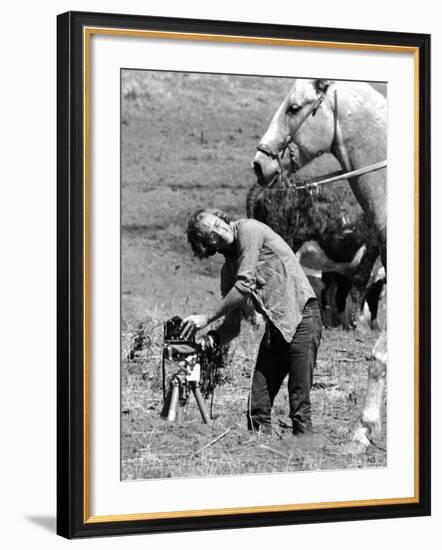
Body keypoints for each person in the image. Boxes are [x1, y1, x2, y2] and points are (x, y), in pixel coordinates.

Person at [180, 208, 322, 435]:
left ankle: (306, 458)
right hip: (277, 327)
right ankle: (261, 456)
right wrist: (210, 339)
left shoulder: (249, 229)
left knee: (299, 407)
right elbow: (232, 327)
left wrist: (206, 319)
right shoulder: (228, 271)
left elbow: (245, 284)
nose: (220, 230)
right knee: (257, 409)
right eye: (211, 233)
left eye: (218, 223)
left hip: (303, 317)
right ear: (208, 245)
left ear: (223, 218)